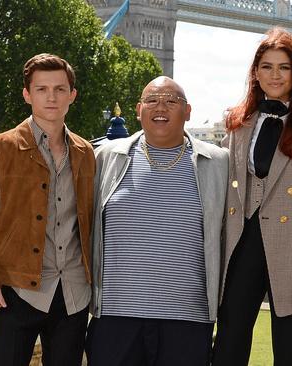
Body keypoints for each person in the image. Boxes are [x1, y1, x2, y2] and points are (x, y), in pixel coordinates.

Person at [0, 53, 95, 366]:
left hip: (73, 294)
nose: (51, 96)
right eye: (42, 89)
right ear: (27, 94)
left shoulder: (87, 153)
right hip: (15, 292)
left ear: (72, 95)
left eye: (60, 89)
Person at [212, 27, 292, 366]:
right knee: (228, 345)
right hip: (241, 245)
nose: (275, 75)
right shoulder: (238, 122)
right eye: (266, 66)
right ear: (255, 72)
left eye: (284, 67)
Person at [85, 76, 229, 366]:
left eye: (171, 101)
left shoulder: (219, 163)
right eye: (152, 100)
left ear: (187, 111)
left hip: (189, 320)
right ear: (139, 109)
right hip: (114, 319)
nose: (160, 107)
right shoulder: (104, 158)